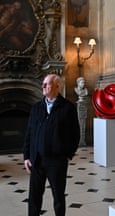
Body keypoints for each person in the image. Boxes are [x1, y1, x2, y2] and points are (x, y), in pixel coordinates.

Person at [23, 73, 80, 216]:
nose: (43, 86)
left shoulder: (68, 108)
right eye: (43, 83)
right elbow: (29, 134)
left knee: (58, 197)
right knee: (34, 198)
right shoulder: (36, 108)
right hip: (36, 160)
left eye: (46, 84)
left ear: (57, 86)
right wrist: (26, 156)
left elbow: (75, 134)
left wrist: (68, 154)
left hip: (56, 161)